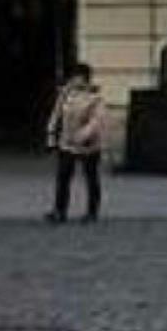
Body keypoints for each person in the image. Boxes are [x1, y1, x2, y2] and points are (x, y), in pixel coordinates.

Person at [44, 60, 106, 223]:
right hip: (67, 142)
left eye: (76, 77)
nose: (72, 80)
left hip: (89, 145)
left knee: (91, 178)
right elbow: (56, 115)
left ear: (84, 78)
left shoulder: (95, 97)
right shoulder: (65, 94)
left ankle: (92, 212)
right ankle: (59, 210)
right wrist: (50, 136)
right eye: (72, 77)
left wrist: (82, 136)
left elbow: (96, 121)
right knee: (63, 178)